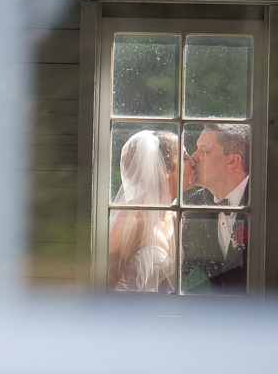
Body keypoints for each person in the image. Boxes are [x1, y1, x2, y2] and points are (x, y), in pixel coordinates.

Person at [107, 130, 184, 293]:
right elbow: (105, 284)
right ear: (165, 170)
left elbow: (161, 280)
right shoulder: (132, 218)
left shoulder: (174, 215)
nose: (193, 162)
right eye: (184, 158)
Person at [182, 123, 250, 294]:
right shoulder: (193, 204)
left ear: (233, 161)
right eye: (196, 149)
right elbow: (187, 272)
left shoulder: (264, 202)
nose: (193, 157)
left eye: (204, 151)